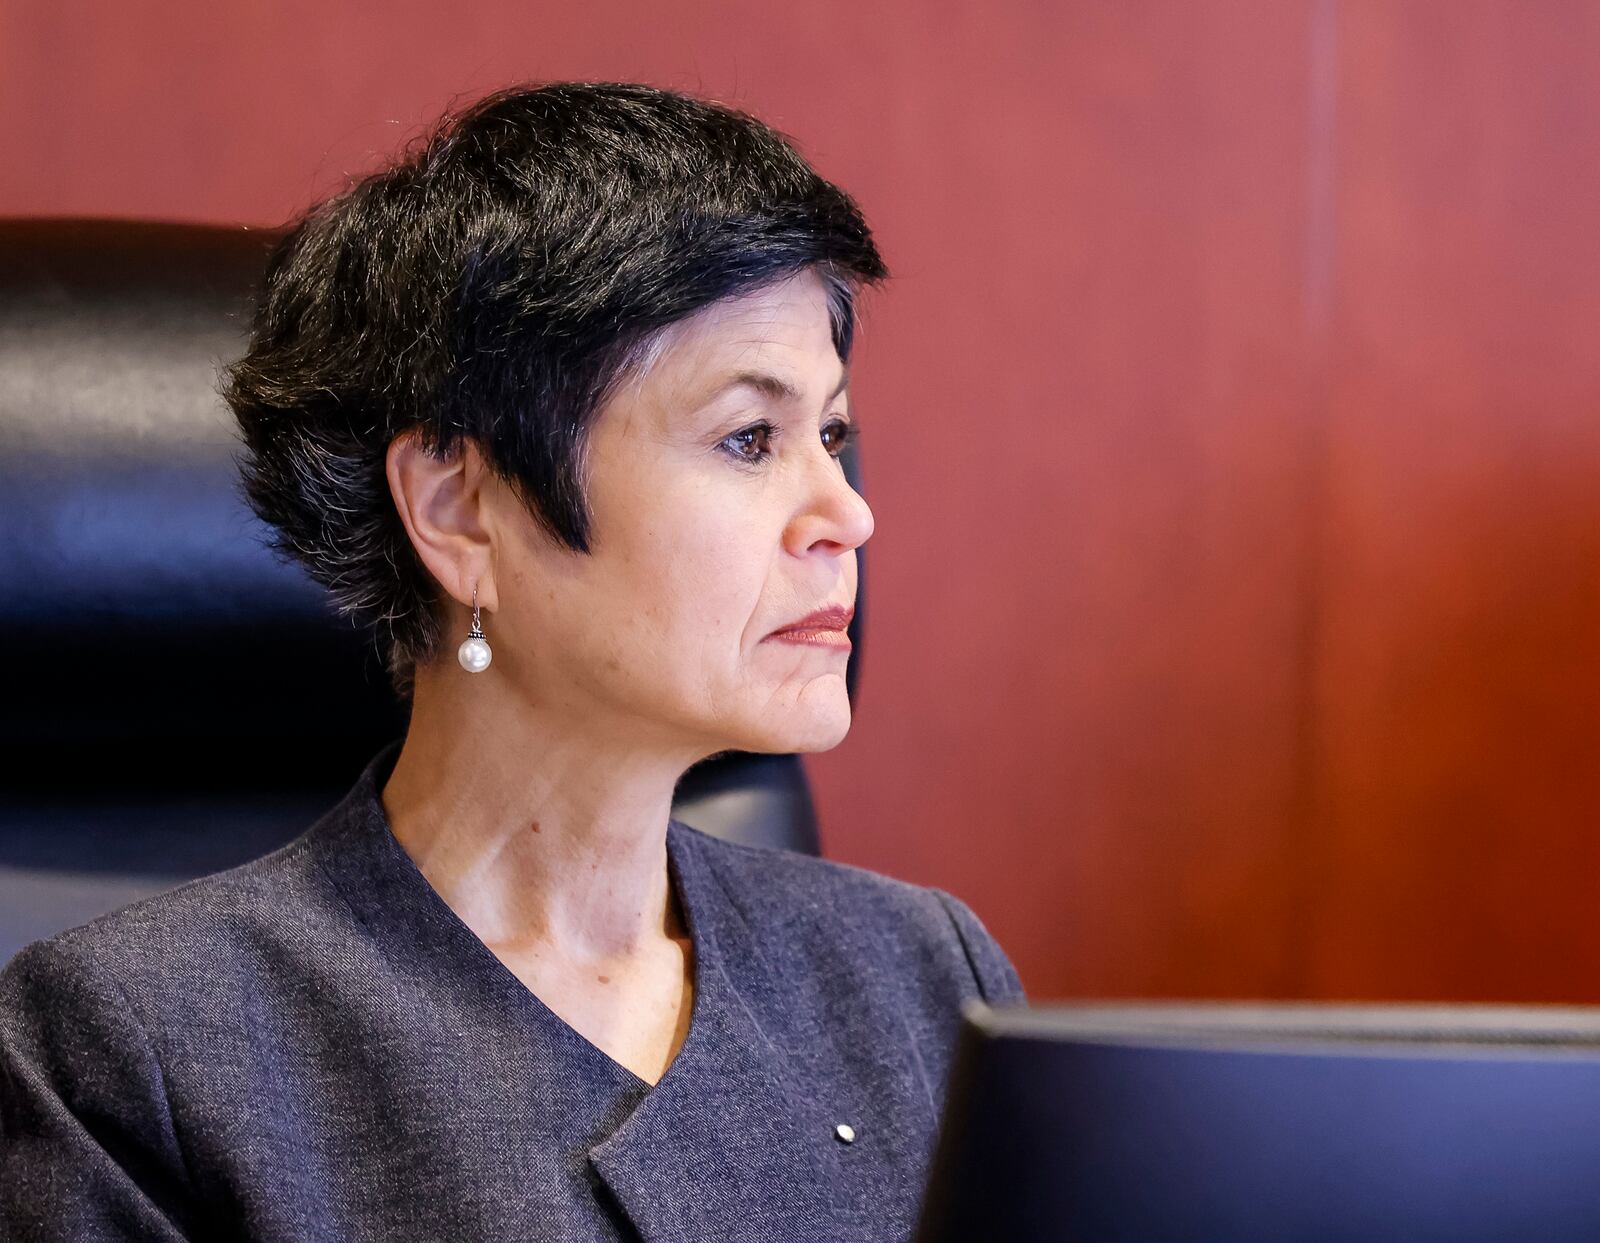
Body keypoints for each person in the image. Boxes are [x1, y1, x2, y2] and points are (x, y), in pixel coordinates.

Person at [0, 81, 1023, 1241]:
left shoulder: (922, 976)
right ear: (461, 511)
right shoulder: (131, 1050)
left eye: (830, 434)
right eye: (750, 438)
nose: (845, 513)